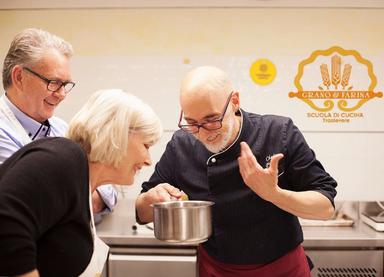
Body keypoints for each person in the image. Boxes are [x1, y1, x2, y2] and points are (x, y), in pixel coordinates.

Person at [135, 66, 337, 276]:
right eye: (192, 123)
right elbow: (141, 212)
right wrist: (152, 199)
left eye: (212, 120)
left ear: (235, 101)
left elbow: (325, 207)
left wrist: (273, 194)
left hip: (281, 268)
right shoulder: (181, 145)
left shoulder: (278, 132)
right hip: (217, 269)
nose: (203, 134)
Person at [0, 89, 163, 277]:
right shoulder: (63, 156)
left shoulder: (83, 184)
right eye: (146, 146)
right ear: (117, 135)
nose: (148, 160)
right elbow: (5, 219)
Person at [0, 28, 117, 215]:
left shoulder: (62, 128)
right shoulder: (2, 132)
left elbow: (107, 192)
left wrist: (78, 194)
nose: (62, 95)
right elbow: (35, 200)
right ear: (19, 77)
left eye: (65, 85)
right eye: (53, 83)